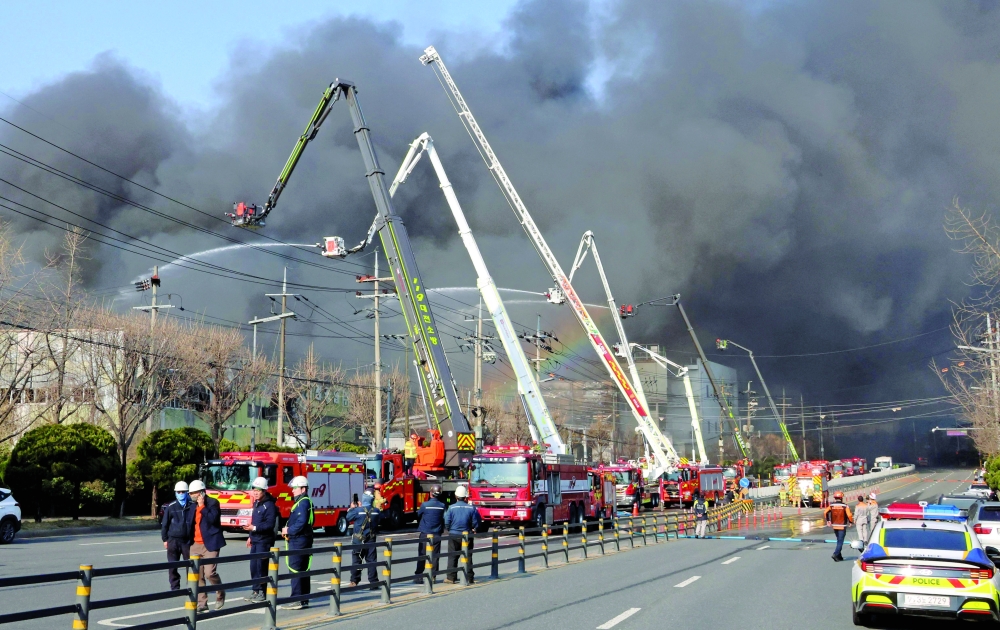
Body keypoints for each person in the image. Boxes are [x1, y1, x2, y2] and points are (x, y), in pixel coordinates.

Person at [189, 480, 226, 612]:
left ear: (202, 493)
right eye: (190, 493)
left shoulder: (213, 503)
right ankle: (202, 603)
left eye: (194, 493)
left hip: (210, 543)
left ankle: (220, 594)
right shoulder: (191, 506)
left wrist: (202, 506)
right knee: (197, 575)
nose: (192, 496)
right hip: (195, 544)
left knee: (210, 573)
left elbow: (213, 519)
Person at [280, 476, 314, 610]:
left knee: (296, 569)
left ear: (303, 489)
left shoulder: (302, 503)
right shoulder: (305, 502)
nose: (293, 491)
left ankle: (297, 599)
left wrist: (288, 530)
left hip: (298, 540)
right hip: (304, 539)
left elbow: (301, 522)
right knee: (304, 569)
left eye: (295, 488)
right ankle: (304, 599)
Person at [243, 477, 277, 603]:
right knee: (253, 567)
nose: (255, 492)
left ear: (264, 491)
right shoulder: (256, 503)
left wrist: (254, 528)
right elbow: (255, 522)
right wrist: (250, 536)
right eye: (254, 490)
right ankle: (255, 590)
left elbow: (270, 525)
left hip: (264, 541)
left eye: (258, 490)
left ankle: (262, 592)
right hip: (255, 539)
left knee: (261, 567)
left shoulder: (270, 505)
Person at [161, 481, 195, 591]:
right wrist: (165, 539)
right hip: (173, 541)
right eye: (178, 492)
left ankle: (191, 586)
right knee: (172, 566)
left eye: (183, 492)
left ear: (187, 493)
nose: (181, 494)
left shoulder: (192, 506)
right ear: (175, 493)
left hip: (187, 542)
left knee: (190, 566)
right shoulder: (171, 507)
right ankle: (175, 587)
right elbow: (165, 524)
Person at [444, 485, 481, 584]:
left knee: (452, 556)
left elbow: (447, 522)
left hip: (454, 534)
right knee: (467, 556)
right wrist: (474, 528)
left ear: (456, 496)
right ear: (465, 497)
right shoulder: (471, 508)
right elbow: (476, 522)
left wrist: (450, 529)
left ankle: (451, 578)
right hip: (467, 535)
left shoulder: (451, 508)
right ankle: (469, 577)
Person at [346, 492, 381, 589]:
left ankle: (354, 581)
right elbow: (378, 521)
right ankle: (373, 582)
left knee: (357, 560)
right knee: (371, 561)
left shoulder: (357, 510)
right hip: (371, 539)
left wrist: (353, 508)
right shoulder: (376, 511)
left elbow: (348, 517)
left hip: (359, 539)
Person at [413, 485, 446, 583]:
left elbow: (418, 515)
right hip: (436, 533)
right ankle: (433, 576)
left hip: (425, 532)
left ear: (431, 493)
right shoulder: (442, 506)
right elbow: (444, 518)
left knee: (422, 555)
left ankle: (419, 576)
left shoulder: (425, 505)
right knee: (435, 556)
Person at [824, 491, 854, 562]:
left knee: (838, 540)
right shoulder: (845, 506)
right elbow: (849, 515)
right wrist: (850, 522)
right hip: (842, 526)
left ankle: (839, 556)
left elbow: (825, 512)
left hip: (835, 526)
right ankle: (835, 553)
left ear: (835, 498)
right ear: (841, 498)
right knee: (840, 541)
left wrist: (828, 520)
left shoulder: (831, 505)